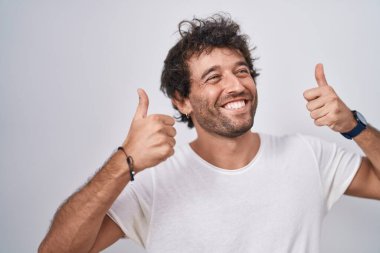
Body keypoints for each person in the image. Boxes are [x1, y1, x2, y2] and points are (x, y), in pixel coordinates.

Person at [38, 14, 380, 253]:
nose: (236, 86)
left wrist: (354, 126)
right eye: (214, 77)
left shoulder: (307, 155)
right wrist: (123, 161)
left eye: (242, 71)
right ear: (182, 100)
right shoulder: (154, 181)